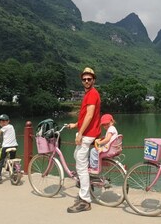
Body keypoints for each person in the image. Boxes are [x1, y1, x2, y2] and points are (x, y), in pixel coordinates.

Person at [67, 67, 101, 213]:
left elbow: (90, 115)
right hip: (87, 132)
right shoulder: (88, 94)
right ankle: (87, 180)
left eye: (89, 79)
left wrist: (80, 133)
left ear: (93, 80)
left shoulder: (92, 94)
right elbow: (85, 116)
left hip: (88, 134)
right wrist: (76, 124)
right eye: (84, 79)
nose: (86, 81)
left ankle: (85, 200)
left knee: (80, 166)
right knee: (77, 157)